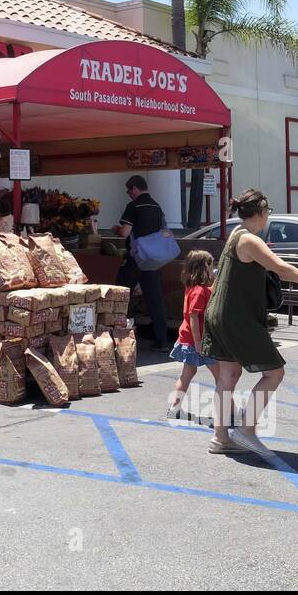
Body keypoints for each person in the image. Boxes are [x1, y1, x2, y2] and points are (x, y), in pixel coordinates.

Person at [203, 189, 298, 456]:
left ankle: (220, 438)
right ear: (262, 212)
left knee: (228, 375)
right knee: (274, 373)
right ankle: (246, 430)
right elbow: (282, 269)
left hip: (218, 311)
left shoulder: (236, 234)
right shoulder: (250, 241)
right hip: (236, 317)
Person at [166, 249, 223, 425]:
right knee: (222, 378)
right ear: (203, 268)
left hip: (189, 339)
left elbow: (209, 293)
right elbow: (194, 317)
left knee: (187, 374)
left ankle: (174, 409)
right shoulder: (199, 291)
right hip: (198, 341)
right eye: (210, 264)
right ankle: (227, 413)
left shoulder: (195, 288)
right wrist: (199, 343)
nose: (212, 268)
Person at [114, 174, 170, 353]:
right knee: (155, 299)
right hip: (153, 259)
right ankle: (161, 340)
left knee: (120, 294)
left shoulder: (133, 206)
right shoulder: (157, 206)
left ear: (135, 188)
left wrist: (116, 229)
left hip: (136, 258)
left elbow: (125, 232)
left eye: (129, 190)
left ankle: (118, 335)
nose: (128, 194)